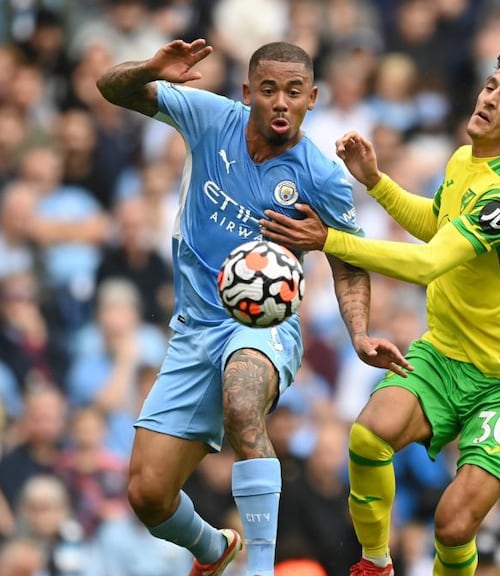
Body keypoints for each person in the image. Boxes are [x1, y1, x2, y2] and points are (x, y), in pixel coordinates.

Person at [96, 39, 408, 576]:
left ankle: (260, 567)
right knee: (148, 495)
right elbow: (110, 88)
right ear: (248, 93)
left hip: (266, 326)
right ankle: (216, 551)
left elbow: (348, 261)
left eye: (293, 92)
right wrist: (149, 69)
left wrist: (358, 332)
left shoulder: (323, 176)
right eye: (268, 90)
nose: (280, 102)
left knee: (243, 400)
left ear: (312, 98)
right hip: (194, 329)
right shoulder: (211, 118)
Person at [262, 45, 500, 576]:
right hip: (445, 356)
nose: (490, 99)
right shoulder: (464, 160)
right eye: (491, 86)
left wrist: (330, 240)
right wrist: (377, 183)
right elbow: (436, 225)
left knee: (451, 525)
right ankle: (377, 563)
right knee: (368, 436)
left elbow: (429, 264)